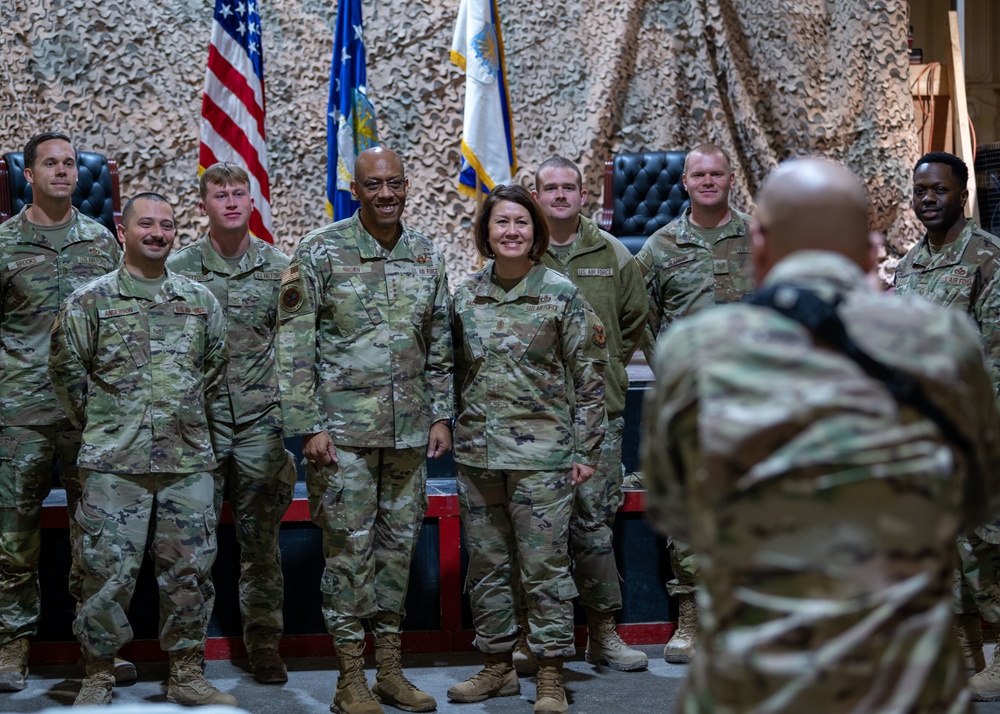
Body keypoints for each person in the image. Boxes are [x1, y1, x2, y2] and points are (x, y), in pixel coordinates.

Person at [643, 157, 1000, 713]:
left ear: (757, 243)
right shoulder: (943, 343)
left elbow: (675, 514)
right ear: (869, 247)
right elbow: (976, 503)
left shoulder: (695, 350)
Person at [277, 146, 453, 714]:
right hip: (342, 437)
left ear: (407, 186)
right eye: (373, 185)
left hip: (408, 435)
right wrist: (307, 427)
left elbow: (441, 343)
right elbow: (295, 341)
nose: (385, 194)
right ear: (356, 189)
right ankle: (349, 677)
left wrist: (441, 413)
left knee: (397, 553)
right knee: (348, 555)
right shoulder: (320, 250)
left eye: (395, 183)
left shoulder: (427, 253)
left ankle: (389, 671)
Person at [49, 193, 234, 707]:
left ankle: (188, 673)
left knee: (189, 571)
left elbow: (212, 371)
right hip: (114, 461)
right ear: (122, 231)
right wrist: (107, 426)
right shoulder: (90, 301)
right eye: (146, 224)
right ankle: (99, 673)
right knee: (105, 571)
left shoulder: (200, 301)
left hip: (187, 459)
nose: (157, 233)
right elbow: (66, 374)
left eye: (167, 225)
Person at [446, 184, 608, 714]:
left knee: (545, 567)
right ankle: (497, 667)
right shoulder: (466, 296)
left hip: (544, 456)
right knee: (488, 565)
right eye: (501, 223)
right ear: (486, 234)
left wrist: (586, 450)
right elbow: (448, 371)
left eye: (521, 222)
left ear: (535, 232)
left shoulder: (560, 293)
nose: (511, 231)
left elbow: (589, 378)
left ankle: (550, 675)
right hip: (478, 453)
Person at [0, 132, 128, 693]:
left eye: (70, 164)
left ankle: (97, 650)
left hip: (87, 418)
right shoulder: (4, 243)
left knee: (95, 537)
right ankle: (11, 649)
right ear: (27, 174)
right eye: (49, 163)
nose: (62, 171)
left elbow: (117, 329)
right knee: (12, 537)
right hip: (19, 413)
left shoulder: (101, 242)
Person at [167, 162, 295, 684]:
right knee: (190, 547)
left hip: (260, 425)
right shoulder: (178, 269)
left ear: (252, 200)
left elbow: (295, 346)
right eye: (220, 195)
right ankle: (186, 657)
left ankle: (264, 646)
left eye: (239, 193)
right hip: (198, 425)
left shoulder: (280, 268)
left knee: (260, 545)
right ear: (204, 206)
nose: (232, 202)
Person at [523, 157, 647, 672]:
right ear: (536, 194)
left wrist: (604, 372)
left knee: (595, 527)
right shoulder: (521, 251)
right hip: (532, 420)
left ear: (583, 194)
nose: (559, 196)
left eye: (568, 187)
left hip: (598, 419)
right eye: (549, 188)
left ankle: (603, 634)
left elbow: (633, 321)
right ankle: (534, 638)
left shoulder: (613, 254)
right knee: (534, 532)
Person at [634, 142, 752, 663]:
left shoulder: (761, 239)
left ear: (731, 179)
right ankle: (691, 617)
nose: (708, 181)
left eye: (717, 174)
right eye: (698, 174)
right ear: (684, 182)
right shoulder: (659, 247)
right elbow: (641, 315)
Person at [894, 151, 1000, 701]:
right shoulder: (912, 265)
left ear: (962, 194)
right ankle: (965, 653)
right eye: (920, 191)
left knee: (987, 544)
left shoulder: (987, 259)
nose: (927, 199)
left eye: (938, 190)